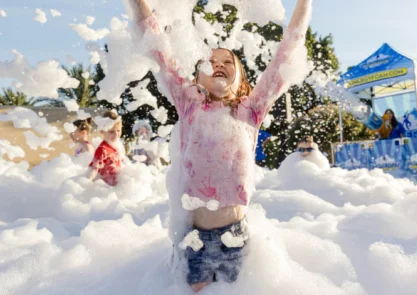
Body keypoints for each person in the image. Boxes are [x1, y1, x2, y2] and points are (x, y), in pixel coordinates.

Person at [129, 0, 311, 292]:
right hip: (193, 239)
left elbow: (286, 56)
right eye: (211, 62)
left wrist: (305, 4)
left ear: (240, 81)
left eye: (228, 62)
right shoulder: (190, 105)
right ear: (197, 77)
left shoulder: (251, 111)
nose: (219, 65)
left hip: (236, 237)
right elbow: (159, 49)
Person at [88, 110, 123, 186]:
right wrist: (86, 184)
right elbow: (93, 170)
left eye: (118, 130)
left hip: (115, 186)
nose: (116, 134)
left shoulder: (118, 146)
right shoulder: (102, 149)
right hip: (105, 188)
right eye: (111, 131)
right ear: (102, 131)